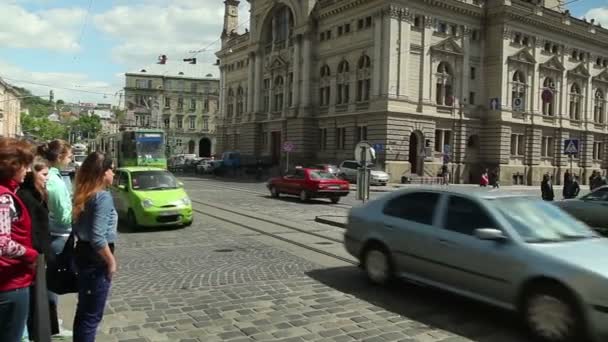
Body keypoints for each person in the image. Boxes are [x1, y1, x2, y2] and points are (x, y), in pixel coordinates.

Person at [72, 152, 118, 342]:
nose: (114, 174)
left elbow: (77, 228)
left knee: (83, 311)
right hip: (95, 261)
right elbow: (98, 237)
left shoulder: (84, 193)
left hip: (82, 255)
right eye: (112, 170)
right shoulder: (102, 197)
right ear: (103, 173)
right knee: (91, 316)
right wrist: (111, 261)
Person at [0, 137, 38, 342]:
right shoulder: (4, 197)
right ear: (12, 167)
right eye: (24, 166)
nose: (27, 170)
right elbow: (2, 243)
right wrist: (30, 254)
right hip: (10, 283)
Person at [17, 156, 55, 341]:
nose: (47, 178)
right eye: (44, 174)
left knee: (40, 298)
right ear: (33, 174)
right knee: (36, 298)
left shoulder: (37, 193)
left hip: (39, 252)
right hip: (34, 253)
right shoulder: (25, 195)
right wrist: (38, 253)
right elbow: (32, 230)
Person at [38, 140, 73, 339]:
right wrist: (79, 211)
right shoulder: (55, 182)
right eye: (68, 156)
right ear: (59, 157)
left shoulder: (50, 176)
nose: (70, 160)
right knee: (54, 282)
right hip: (59, 235)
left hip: (51, 233)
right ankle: (52, 326)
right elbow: (63, 217)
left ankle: (52, 322)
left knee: (50, 281)